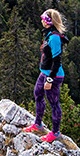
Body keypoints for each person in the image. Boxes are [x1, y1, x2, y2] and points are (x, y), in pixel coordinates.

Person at [24, 8, 68, 142]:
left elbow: (56, 61)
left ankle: (55, 133)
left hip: (53, 76)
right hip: (45, 73)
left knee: (54, 103)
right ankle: (38, 124)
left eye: (43, 19)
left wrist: (50, 79)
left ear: (48, 22)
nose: (41, 21)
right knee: (38, 94)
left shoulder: (54, 38)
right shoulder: (49, 35)